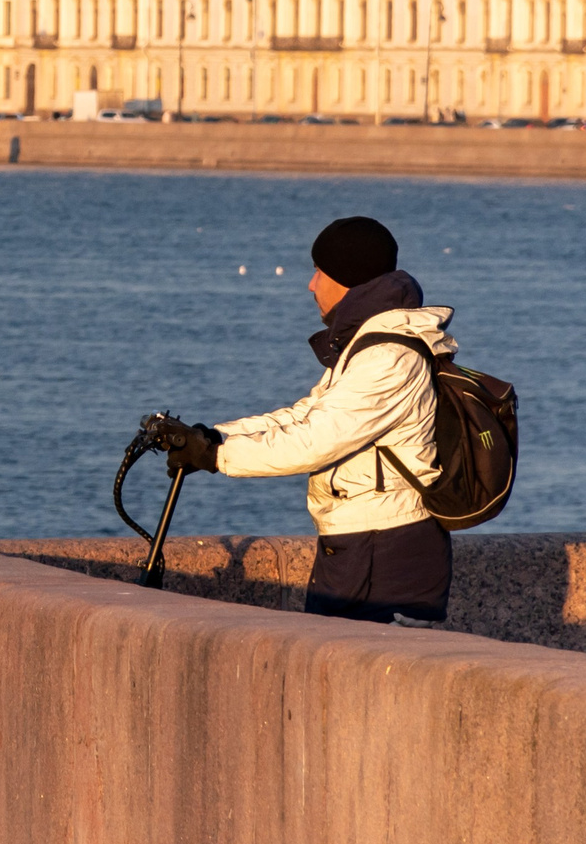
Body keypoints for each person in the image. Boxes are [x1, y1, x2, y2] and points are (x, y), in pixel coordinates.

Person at [146, 215, 456, 626]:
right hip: (359, 544)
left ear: (348, 278)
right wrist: (213, 436)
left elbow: (317, 440)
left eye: (318, 272)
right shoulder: (367, 343)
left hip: (385, 550)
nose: (311, 285)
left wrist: (218, 457)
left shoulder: (388, 357)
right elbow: (305, 414)